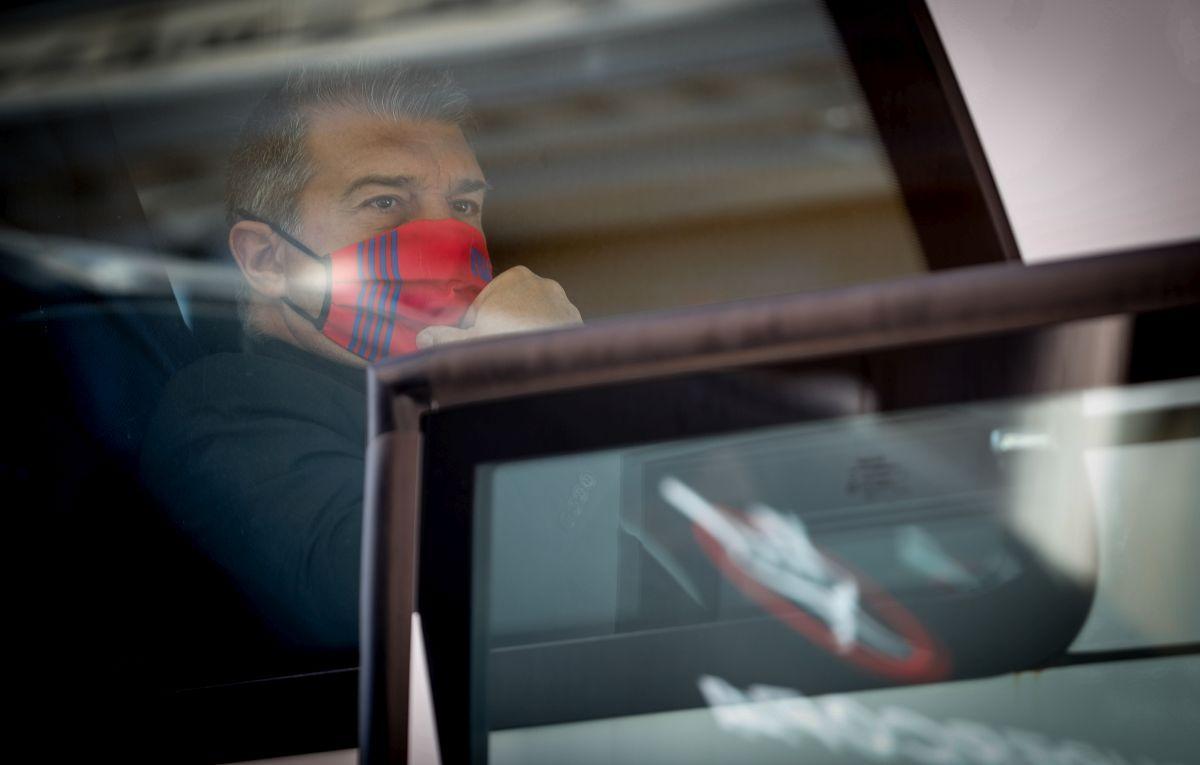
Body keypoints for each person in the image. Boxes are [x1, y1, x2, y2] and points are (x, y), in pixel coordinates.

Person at [140, 63, 581, 651]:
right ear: (267, 260)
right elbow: (388, 601)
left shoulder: (437, 393)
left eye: (464, 206)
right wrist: (528, 385)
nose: (446, 238)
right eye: (383, 201)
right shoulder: (228, 409)